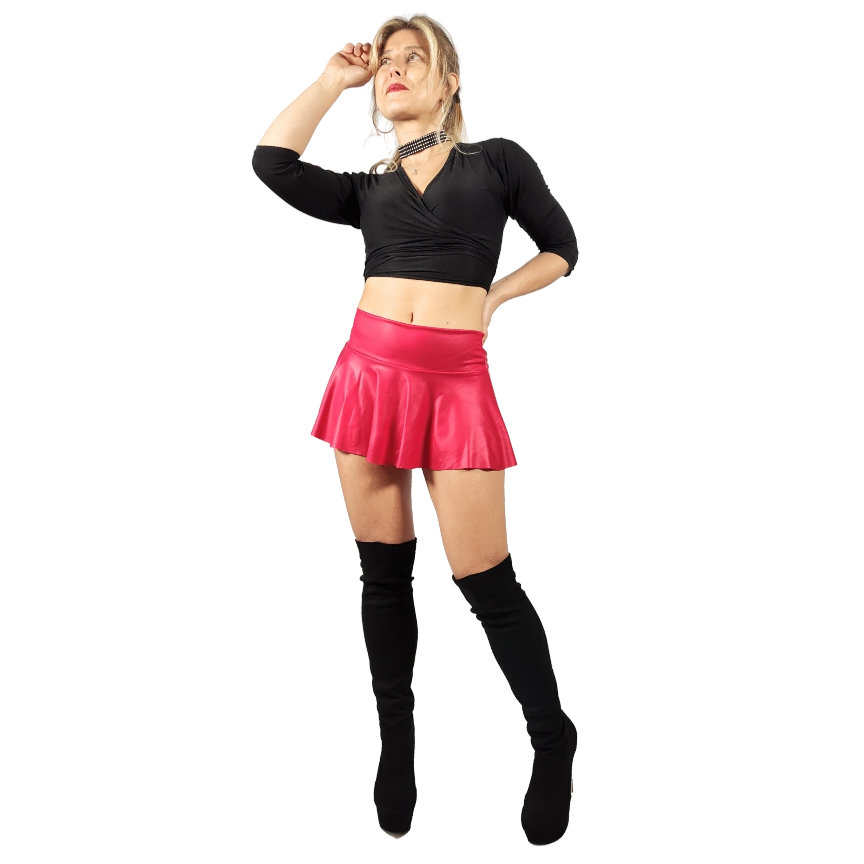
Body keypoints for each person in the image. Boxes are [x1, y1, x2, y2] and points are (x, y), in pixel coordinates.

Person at [251, 14, 579, 846]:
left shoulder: (496, 162)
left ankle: (552, 737)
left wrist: (493, 297)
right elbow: (271, 163)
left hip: (455, 383)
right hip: (367, 380)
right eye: (387, 61)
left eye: (414, 59)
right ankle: (396, 742)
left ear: (449, 82)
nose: (394, 69)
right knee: (384, 576)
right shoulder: (368, 191)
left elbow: (563, 247)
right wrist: (333, 81)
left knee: (487, 582)